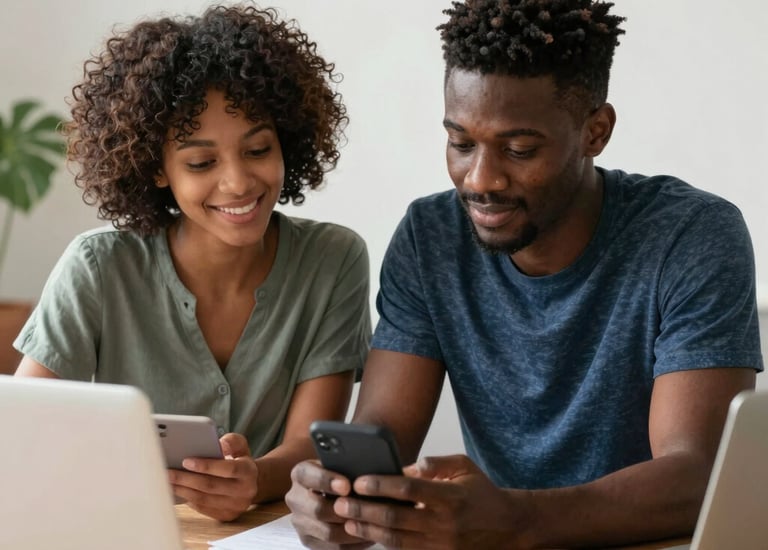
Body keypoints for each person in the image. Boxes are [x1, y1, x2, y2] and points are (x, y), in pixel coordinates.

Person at [285, 1, 764, 548]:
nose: (481, 180)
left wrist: (515, 520)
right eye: (461, 143)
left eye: (519, 149)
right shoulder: (429, 236)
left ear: (595, 131)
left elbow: (696, 477)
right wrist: (342, 496)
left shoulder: (692, 234)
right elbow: (380, 437)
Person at [13, 3, 371, 522]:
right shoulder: (98, 266)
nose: (238, 183)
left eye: (258, 149)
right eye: (202, 162)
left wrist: (253, 482)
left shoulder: (333, 259)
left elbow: (310, 446)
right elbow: (23, 430)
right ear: (156, 168)